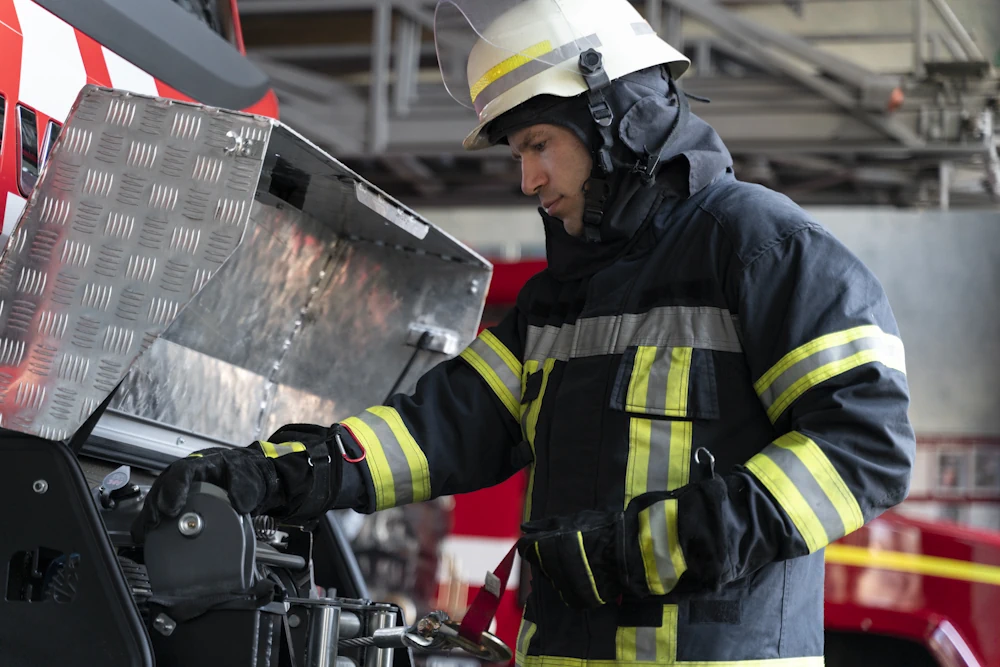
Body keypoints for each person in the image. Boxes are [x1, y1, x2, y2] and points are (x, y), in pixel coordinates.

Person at [134, 0, 916, 663]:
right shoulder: (558, 302)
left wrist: (658, 544)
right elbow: (440, 429)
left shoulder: (761, 249)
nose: (528, 179)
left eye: (540, 144)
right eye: (520, 153)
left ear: (614, 117)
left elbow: (866, 445)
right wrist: (278, 473)